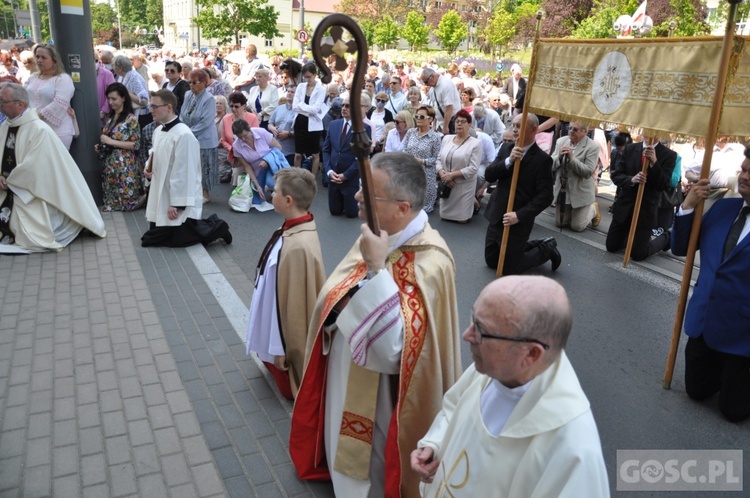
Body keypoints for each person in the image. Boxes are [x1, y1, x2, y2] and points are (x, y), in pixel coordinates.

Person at [290, 152, 462, 498]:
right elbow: (335, 293)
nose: (356, 196)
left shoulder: (433, 261)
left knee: (373, 471)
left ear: (402, 207)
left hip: (384, 396)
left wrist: (377, 270)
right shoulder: (376, 235)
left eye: (369, 193)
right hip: (342, 371)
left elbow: (391, 353)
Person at [411, 276, 610, 496]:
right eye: (473, 318)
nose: (467, 335)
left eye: (481, 330)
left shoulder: (574, 451)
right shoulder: (494, 369)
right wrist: (435, 444)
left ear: (531, 354)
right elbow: (454, 407)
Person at [671, 149, 750, 422]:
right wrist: (688, 205)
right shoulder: (723, 207)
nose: (745, 176)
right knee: (696, 391)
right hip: (704, 321)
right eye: (743, 169)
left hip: (743, 334)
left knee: (734, 412)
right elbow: (681, 247)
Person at [246, 168, 325, 400]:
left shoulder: (299, 245)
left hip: (281, 335)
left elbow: (294, 307)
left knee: (285, 387)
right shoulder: (294, 227)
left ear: (288, 201)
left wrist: (282, 349)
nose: (271, 194)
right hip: (275, 319)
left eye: (275, 192)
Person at [0, 83, 106, 253]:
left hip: (30, 191)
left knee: (25, 228)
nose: (0, 104)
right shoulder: (6, 126)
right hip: (6, 187)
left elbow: (36, 167)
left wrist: (10, 181)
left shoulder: (39, 130)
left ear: (20, 104)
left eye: (3, 101)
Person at [141, 89, 231, 247]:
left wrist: (177, 203)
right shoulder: (158, 131)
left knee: (179, 238)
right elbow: (154, 154)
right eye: (150, 106)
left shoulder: (184, 135)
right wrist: (149, 169)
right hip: (163, 193)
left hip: (177, 197)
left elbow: (185, 171)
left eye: (155, 107)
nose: (150, 110)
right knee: (151, 238)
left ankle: (219, 228)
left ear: (169, 107)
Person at [484, 113, 558, 274]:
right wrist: (508, 161)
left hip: (517, 219)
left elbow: (546, 196)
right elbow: (489, 175)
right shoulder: (506, 148)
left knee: (509, 268)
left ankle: (547, 248)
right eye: (514, 125)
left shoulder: (542, 159)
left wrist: (519, 215)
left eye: (519, 126)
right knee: (492, 261)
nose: (514, 130)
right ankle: (534, 244)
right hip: (497, 213)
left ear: (533, 129)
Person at [606, 136, 676, 260]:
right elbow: (616, 175)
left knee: (638, 254)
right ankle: (629, 237)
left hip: (646, 210)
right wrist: (631, 179)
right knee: (611, 246)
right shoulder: (630, 148)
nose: (651, 135)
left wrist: (655, 162)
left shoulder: (669, 155)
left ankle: (667, 237)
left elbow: (663, 185)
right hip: (625, 207)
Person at [97, 82, 143, 212]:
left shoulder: (131, 119)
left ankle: (144, 198)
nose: (111, 102)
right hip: (111, 163)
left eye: (114, 99)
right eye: (109, 99)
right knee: (113, 194)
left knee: (129, 202)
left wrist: (111, 142)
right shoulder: (111, 117)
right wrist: (102, 146)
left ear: (123, 98)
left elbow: (136, 144)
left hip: (125, 164)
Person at [322, 96, 372, 218]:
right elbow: (326, 149)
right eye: (343, 105)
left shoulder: (364, 128)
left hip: (350, 179)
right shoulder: (333, 125)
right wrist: (329, 170)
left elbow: (362, 157)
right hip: (333, 176)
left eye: (348, 106)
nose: (343, 108)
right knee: (335, 212)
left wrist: (346, 175)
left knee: (351, 214)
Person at [551, 121, 601, 232]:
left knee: (577, 226)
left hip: (580, 190)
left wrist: (572, 159)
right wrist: (559, 157)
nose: (571, 131)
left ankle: (593, 209)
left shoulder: (592, 147)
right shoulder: (561, 141)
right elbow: (551, 165)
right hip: (563, 190)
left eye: (575, 129)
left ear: (585, 132)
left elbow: (588, 172)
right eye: (570, 128)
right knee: (560, 223)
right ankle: (574, 213)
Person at [25, 44, 76, 149]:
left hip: (58, 131)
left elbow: (60, 102)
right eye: (37, 57)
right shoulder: (33, 77)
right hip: (35, 127)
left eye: (43, 57)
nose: (39, 60)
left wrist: (36, 117)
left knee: (57, 163)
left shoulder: (62, 79)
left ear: (54, 60)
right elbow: (24, 96)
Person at [435, 109, 482, 223]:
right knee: (444, 216)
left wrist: (451, 175)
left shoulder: (476, 143)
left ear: (469, 124)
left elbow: (473, 168)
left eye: (463, 121)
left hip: (463, 184)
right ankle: (473, 201)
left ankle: (473, 203)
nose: (459, 124)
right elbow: (438, 160)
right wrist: (443, 176)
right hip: (447, 183)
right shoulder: (446, 139)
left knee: (462, 220)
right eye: (457, 121)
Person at [181, 68, 218, 204]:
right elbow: (183, 113)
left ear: (203, 83)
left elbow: (206, 121)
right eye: (190, 82)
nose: (191, 85)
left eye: (194, 83)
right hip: (189, 135)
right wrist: (183, 128)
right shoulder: (187, 95)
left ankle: (205, 193)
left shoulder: (209, 99)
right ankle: (192, 191)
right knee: (191, 166)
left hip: (204, 139)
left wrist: (188, 132)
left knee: (204, 167)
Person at [231, 119, 283, 206]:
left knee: (271, 183)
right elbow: (247, 166)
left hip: (273, 165)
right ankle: (264, 187)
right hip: (257, 171)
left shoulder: (261, 132)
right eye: (240, 137)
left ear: (249, 130)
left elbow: (278, 148)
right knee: (256, 201)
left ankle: (277, 189)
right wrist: (257, 185)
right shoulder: (236, 146)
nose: (243, 139)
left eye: (245, 135)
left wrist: (267, 160)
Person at [402, 105, 442, 213]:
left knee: (420, 211)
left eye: (422, 117)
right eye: (417, 116)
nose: (418, 119)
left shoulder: (435, 137)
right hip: (409, 173)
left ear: (431, 119)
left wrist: (423, 161)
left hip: (425, 176)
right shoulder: (411, 132)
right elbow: (404, 149)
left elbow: (437, 159)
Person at [293, 62, 326, 175]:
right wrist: (308, 109)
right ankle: (296, 178)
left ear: (315, 74)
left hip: (314, 125)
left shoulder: (321, 89)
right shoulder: (301, 86)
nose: (307, 79)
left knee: (315, 154)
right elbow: (294, 106)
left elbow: (315, 109)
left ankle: (312, 178)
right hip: (300, 122)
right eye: (305, 77)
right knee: (298, 154)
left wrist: (302, 106)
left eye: (309, 76)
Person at [221, 92, 260, 186]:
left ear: (244, 106)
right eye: (231, 106)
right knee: (237, 182)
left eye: (236, 106)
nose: (233, 109)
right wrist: (232, 149)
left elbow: (256, 138)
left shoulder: (252, 118)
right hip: (235, 156)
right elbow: (223, 139)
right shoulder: (226, 119)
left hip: (251, 154)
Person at [112, 55, 151, 128]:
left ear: (120, 68)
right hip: (133, 114)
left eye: (113, 65)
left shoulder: (133, 77)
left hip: (141, 116)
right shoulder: (125, 76)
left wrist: (126, 92)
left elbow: (144, 100)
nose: (112, 67)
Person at [421, 68, 461, 135]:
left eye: (426, 82)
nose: (426, 85)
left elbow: (449, 107)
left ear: (432, 76)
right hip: (441, 123)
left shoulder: (446, 84)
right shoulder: (432, 89)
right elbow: (435, 108)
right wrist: (434, 125)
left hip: (453, 122)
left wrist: (445, 127)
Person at [268, 85, 297, 166]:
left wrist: (288, 134)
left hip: (291, 150)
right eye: (288, 91)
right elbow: (270, 123)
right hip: (276, 148)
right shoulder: (279, 108)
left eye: (292, 92)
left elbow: (303, 131)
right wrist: (273, 128)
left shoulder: (299, 111)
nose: (289, 93)